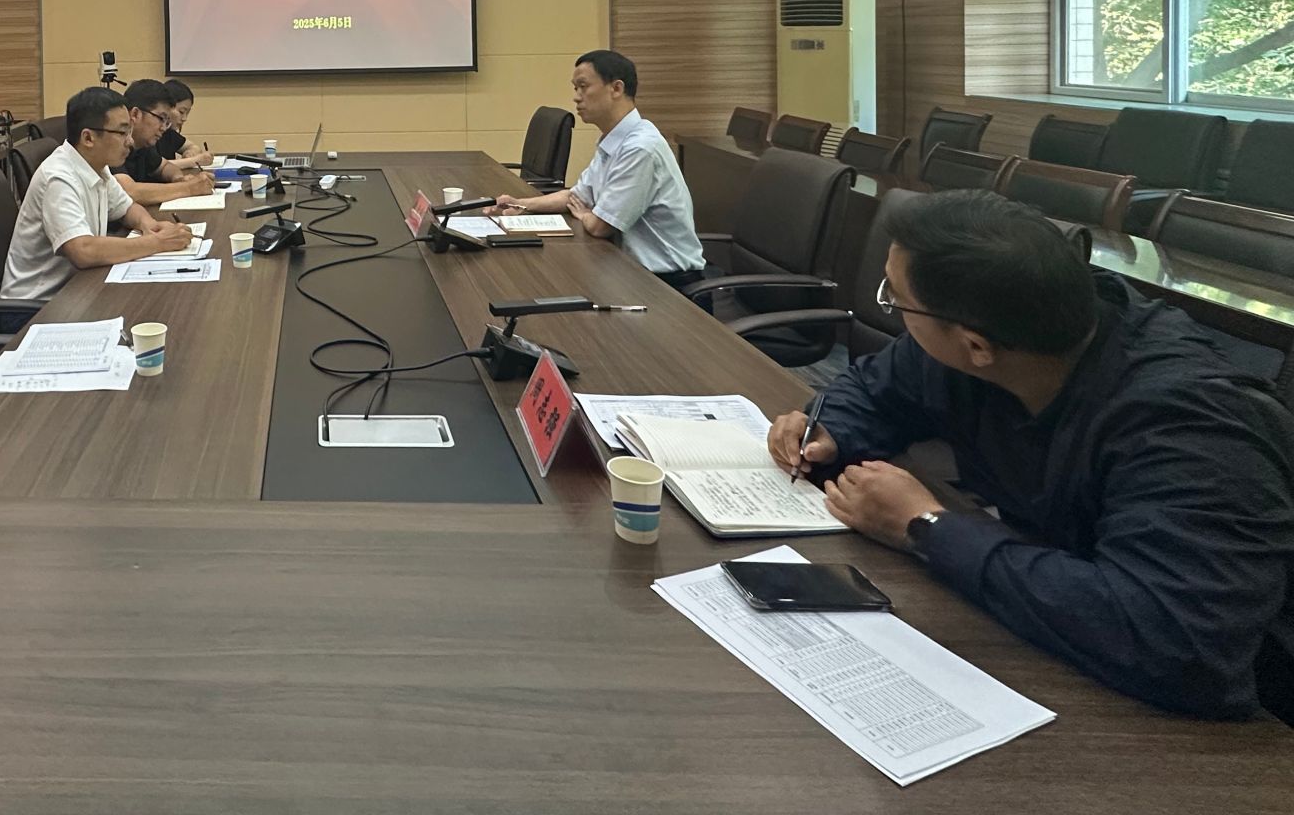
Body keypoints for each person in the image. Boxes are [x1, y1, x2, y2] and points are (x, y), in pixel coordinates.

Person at [765, 189, 1294, 721]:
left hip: (1227, 716)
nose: (895, 314)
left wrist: (926, 526)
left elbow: (1176, 643)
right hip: (1057, 619)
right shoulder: (999, 328)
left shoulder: (1191, 430)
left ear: (976, 347)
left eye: (895, 300)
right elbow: (874, 387)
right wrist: (831, 428)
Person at [491, 49, 705, 286]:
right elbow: (576, 196)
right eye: (575, 88)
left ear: (616, 89)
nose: (576, 97)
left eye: (583, 87)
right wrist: (520, 204)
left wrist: (585, 215)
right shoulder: (614, 140)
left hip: (668, 285)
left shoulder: (640, 148)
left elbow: (601, 226)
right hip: (628, 270)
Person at [0, 86, 195, 301]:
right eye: (122, 133)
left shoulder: (97, 166)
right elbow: (83, 251)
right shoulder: (58, 177)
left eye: (130, 131)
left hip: (77, 288)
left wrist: (149, 225)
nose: (130, 141)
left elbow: (127, 207)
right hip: (37, 304)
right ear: (88, 138)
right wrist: (158, 242)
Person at [111, 79, 215, 205]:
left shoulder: (142, 144)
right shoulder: (112, 142)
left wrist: (179, 179)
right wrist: (189, 188)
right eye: (161, 118)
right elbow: (129, 192)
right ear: (135, 114)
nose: (164, 128)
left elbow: (165, 167)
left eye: (167, 121)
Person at [155, 77, 214, 168]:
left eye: (187, 113)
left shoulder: (169, 132)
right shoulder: (149, 135)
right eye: (181, 112)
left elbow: (192, 146)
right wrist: (195, 161)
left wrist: (190, 152)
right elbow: (155, 166)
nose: (184, 118)